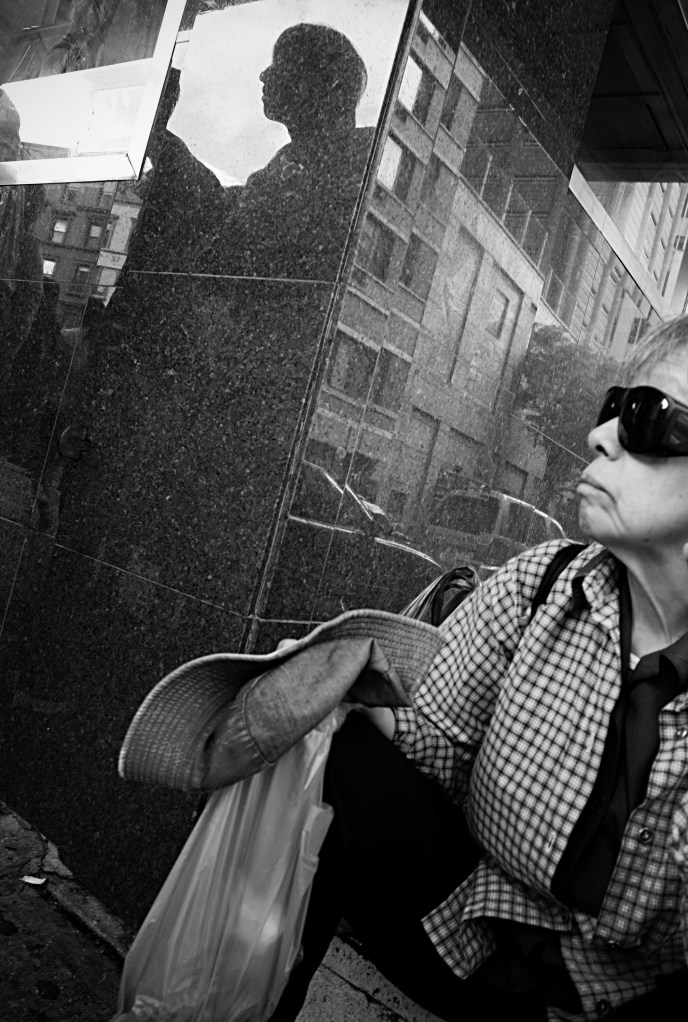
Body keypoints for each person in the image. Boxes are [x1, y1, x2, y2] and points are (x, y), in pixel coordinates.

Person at [267, 315, 688, 1021]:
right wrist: (354, 702)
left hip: (614, 1001)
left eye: (648, 415)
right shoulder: (540, 586)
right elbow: (445, 747)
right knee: (330, 750)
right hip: (468, 936)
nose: (600, 435)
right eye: (614, 405)